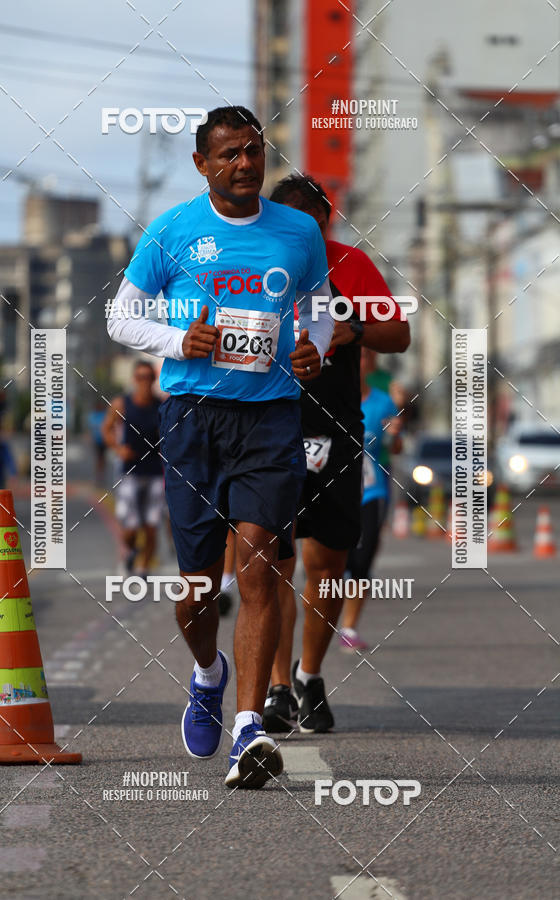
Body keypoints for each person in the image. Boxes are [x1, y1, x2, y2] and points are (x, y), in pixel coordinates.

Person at [107, 106, 335, 788]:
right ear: (203, 164)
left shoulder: (298, 231)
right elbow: (121, 314)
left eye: (254, 152)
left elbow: (320, 307)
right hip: (193, 421)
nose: (245, 163)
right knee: (199, 589)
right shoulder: (174, 229)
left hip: (270, 419)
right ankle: (208, 673)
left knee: (261, 565)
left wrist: (313, 349)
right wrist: (180, 342)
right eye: (230, 153)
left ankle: (248, 730)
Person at [262, 174, 410, 734]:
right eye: (291, 220)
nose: (304, 231)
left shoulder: (350, 264)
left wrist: (356, 328)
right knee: (271, 562)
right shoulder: (250, 262)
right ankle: (276, 686)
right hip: (267, 426)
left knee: (327, 562)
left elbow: (399, 334)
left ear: (326, 221)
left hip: (335, 427)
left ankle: (310, 674)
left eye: (314, 221)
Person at [340, 348, 403, 651]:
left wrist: (397, 432)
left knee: (362, 563)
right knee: (338, 563)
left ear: (371, 364)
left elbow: (396, 447)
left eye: (365, 357)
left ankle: (349, 628)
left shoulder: (382, 402)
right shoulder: (333, 398)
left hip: (372, 490)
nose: (359, 361)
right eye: (356, 356)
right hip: (336, 492)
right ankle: (327, 621)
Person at [101, 360, 165, 577]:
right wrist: (118, 449)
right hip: (130, 471)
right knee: (131, 527)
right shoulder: (122, 403)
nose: (144, 381)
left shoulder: (161, 405)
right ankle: (130, 550)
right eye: (140, 377)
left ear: (154, 379)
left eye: (148, 377)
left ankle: (143, 568)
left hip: (155, 471)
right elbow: (107, 429)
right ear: (134, 379)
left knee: (151, 526)